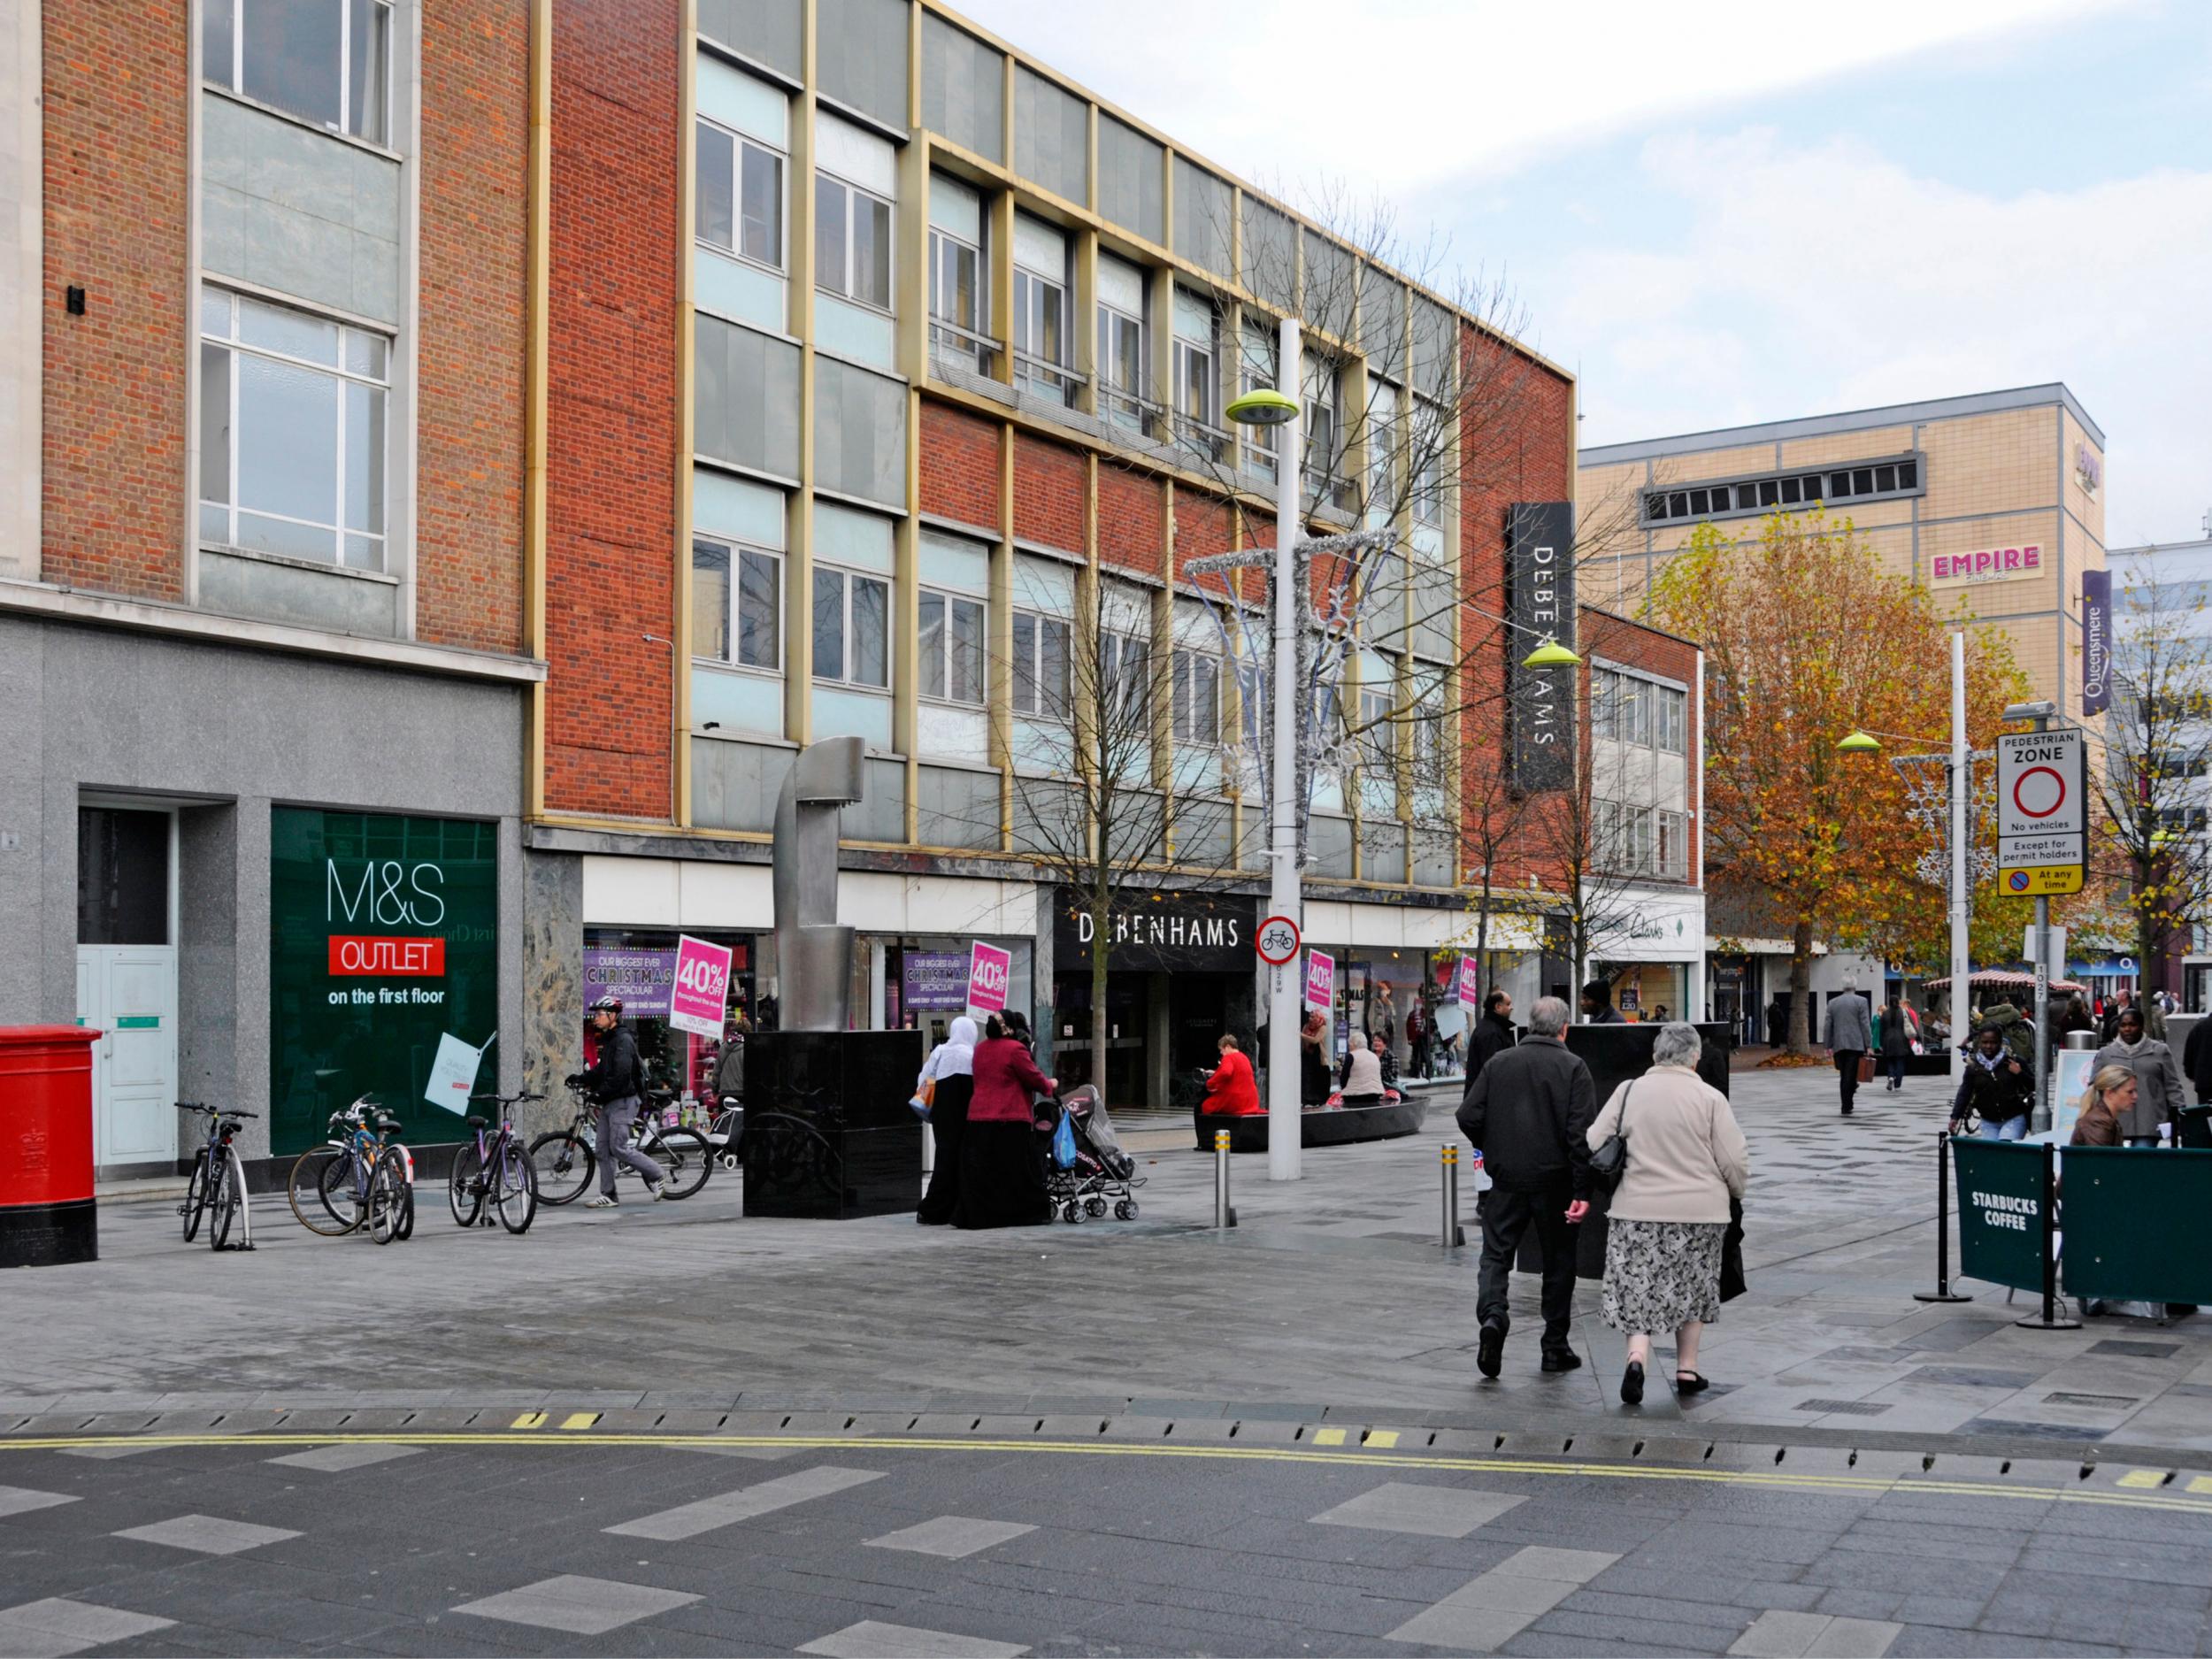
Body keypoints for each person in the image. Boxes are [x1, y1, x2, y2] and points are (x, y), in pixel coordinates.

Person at [1586, 1022, 1749, 1404]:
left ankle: (1637, 1358)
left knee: (1639, 1287)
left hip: (1637, 1210)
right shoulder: (1710, 1098)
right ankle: (1686, 1368)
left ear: (1656, 1054)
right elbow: (1733, 1159)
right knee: (1693, 1286)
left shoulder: (1629, 1091)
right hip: (1700, 1212)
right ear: (1694, 1057)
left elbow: (1595, 1139)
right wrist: (1736, 1192)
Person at [1455, 996, 1596, 1379]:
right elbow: (1580, 1136)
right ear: (1564, 1028)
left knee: (1496, 1254)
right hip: (1556, 1182)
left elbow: (1468, 1114)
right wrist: (1582, 1191)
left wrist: (1495, 1144)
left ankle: (1493, 1317)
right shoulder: (1573, 1067)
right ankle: (1554, 1345)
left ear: (1530, 1026)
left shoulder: (1500, 1063)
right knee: (1559, 1262)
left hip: (1506, 1180)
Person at [955, 1014, 1056, 1229]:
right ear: (1010, 1029)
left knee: (985, 1172)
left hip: (978, 1117)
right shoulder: (1015, 1050)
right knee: (1016, 1170)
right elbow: (1034, 1078)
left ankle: (980, 1216)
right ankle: (1024, 1213)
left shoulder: (980, 1049)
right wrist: (1050, 1084)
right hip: (1008, 1118)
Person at [565, 995, 666, 1207]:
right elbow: (603, 1070)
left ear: (613, 1016)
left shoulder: (623, 1040)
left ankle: (657, 1174)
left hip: (624, 1100)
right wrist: (582, 1079)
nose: (596, 1019)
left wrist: (599, 1093)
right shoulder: (611, 1039)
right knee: (602, 1149)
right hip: (611, 1101)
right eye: (596, 1015)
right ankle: (609, 1195)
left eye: (600, 1014)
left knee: (618, 1147)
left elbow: (620, 1077)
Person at [915, 1015, 979, 1225]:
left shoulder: (940, 1051)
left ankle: (934, 1208)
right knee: (965, 1158)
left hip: (943, 1113)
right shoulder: (973, 1055)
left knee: (943, 1157)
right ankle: (960, 1207)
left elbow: (923, 1079)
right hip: (967, 1113)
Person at [2093, 1005, 2186, 1146]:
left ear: (2141, 1026)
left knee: (2141, 1164)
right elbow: (2094, 1087)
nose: (2127, 1029)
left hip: (2149, 1123)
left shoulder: (2160, 1051)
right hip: (2114, 1123)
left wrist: (2179, 1111)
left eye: (2132, 1025)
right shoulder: (2106, 1053)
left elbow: (2172, 1085)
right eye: (2123, 1025)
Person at [1951, 1025, 2032, 1140]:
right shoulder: (1973, 1067)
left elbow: (2034, 1086)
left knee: (2004, 1149)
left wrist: (2019, 1073)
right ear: (1979, 1042)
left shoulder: (2014, 1061)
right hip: (1988, 1120)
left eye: (1993, 1042)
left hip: (2014, 1118)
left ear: (2000, 1042)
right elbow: (1965, 1092)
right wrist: (1955, 1117)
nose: (1988, 1046)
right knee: (1992, 1153)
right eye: (1985, 1042)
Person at [1823, 979, 1872, 1117]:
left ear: (1842, 988)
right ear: (1855, 986)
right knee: (1850, 1075)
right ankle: (1847, 1103)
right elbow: (1865, 1024)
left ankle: (1846, 1102)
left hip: (1839, 1044)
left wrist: (1827, 1045)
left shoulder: (1833, 1003)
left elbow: (1828, 1026)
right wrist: (1868, 1044)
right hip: (1855, 1044)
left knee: (1844, 1074)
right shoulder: (1861, 1001)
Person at [2070, 1064, 2138, 1148]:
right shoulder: (2098, 1122)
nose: (2135, 1096)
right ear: (2110, 1093)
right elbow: (2100, 1159)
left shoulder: (2103, 1119)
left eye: (2135, 1091)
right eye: (2130, 1092)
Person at [1202, 1033, 1262, 1116]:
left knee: (1206, 1106)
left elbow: (1226, 1073)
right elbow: (1238, 1073)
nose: (1221, 1053)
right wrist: (1216, 1073)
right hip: (1251, 1101)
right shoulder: (1244, 1057)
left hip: (1236, 1100)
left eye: (1221, 1049)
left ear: (1228, 1047)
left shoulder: (1228, 1057)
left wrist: (1210, 1083)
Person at [1470, 989, 1517, 1079]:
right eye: (1508, 1004)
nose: (1511, 1007)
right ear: (1498, 1007)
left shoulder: (1492, 1028)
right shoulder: (1491, 1033)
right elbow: (1493, 1071)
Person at [1878, 994, 1914, 1093]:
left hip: (1888, 1040)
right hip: (1901, 1039)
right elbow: (1909, 1025)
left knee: (1890, 1061)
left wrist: (1881, 1043)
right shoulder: (1903, 1012)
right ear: (1898, 1002)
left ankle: (1890, 1076)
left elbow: (1882, 1030)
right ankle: (1897, 1084)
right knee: (1900, 1062)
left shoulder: (1885, 1014)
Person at [712, 1014, 748, 1104]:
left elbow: (716, 1072)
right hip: (742, 1093)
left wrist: (715, 1091)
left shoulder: (723, 1047)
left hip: (725, 1093)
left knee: (727, 1117)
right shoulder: (748, 1048)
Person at [1339, 1036, 1386, 1104]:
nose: (1349, 1048)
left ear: (1354, 1044)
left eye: (1349, 1045)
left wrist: (1343, 1089)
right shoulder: (1375, 1056)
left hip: (1354, 1096)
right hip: (1375, 1095)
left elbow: (1344, 1078)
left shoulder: (1351, 1056)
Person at [1300, 1010, 1332, 1106]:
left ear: (1318, 1018)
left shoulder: (1323, 1027)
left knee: (1319, 1077)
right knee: (1307, 1077)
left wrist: (1301, 1035)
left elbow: (1316, 1040)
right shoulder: (1306, 1026)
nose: (1311, 1019)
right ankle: (1306, 1099)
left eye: (1313, 1017)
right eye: (1310, 1016)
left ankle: (1318, 1100)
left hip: (1318, 1056)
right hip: (1307, 1054)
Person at [2184, 1010, 2212, 1105]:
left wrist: (2191, 1074)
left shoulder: (2198, 1028)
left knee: (2207, 1114)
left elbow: (2189, 1055)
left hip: (2204, 1083)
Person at [1406, 1001, 1431, 1080]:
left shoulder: (1424, 1013)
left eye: (1419, 1004)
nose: (1418, 1006)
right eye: (1417, 1004)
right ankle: (1416, 1073)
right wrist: (1409, 1038)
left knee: (1424, 1055)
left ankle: (1427, 1073)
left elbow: (1429, 1025)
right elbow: (1408, 1028)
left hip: (1423, 1037)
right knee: (1415, 1055)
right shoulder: (1412, 1014)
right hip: (1415, 1038)